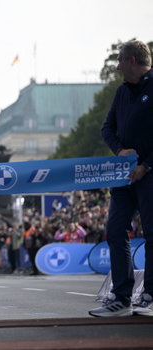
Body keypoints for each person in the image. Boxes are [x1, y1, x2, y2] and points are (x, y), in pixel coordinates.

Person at [90, 40, 153, 317]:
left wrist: (147, 165)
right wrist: (119, 149)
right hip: (124, 175)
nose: (116, 65)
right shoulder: (121, 92)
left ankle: (149, 293)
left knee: (152, 233)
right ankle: (121, 296)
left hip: (150, 174)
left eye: (119, 60)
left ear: (130, 61)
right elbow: (107, 128)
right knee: (115, 229)